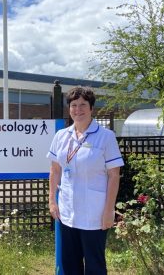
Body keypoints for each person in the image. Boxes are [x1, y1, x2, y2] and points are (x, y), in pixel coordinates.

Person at [47, 86, 124, 275]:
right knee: (70, 263)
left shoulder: (106, 137)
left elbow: (114, 175)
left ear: (91, 108)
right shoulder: (61, 136)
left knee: (94, 265)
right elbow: (55, 170)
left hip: (94, 214)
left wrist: (109, 210)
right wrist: (51, 200)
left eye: (83, 105)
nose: (78, 110)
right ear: (69, 108)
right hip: (67, 212)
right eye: (74, 105)